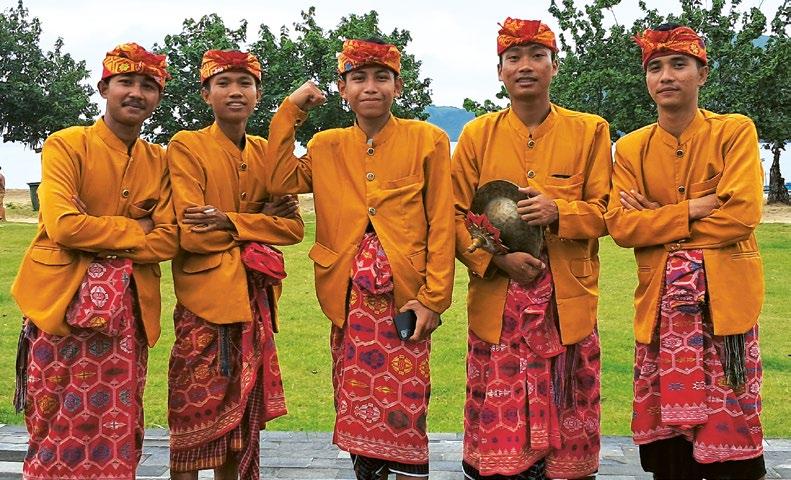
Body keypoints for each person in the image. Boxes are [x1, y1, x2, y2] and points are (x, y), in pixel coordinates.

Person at [267, 37, 455, 479]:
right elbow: (277, 178)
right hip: (347, 298)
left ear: (398, 86)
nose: (370, 87)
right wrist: (291, 110)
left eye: (381, 77)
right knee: (354, 403)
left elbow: (442, 223)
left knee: (408, 408)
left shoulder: (427, 140)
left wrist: (434, 300)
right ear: (343, 88)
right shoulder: (326, 145)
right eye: (358, 78)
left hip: (407, 299)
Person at [604, 24, 766, 480]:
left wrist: (657, 220)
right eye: (655, 67)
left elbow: (741, 216)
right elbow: (621, 226)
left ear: (703, 73)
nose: (666, 76)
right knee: (669, 452)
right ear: (646, 79)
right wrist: (694, 207)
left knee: (732, 425)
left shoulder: (733, 132)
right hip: (661, 311)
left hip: (725, 308)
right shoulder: (631, 148)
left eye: (679, 65)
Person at [452, 18, 611, 480]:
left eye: (537, 56)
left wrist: (560, 212)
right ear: (499, 71)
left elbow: (608, 211)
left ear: (554, 66)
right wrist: (497, 258)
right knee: (495, 426)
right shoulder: (477, 135)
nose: (525, 66)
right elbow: (452, 216)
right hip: (498, 302)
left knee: (570, 408)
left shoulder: (590, 131)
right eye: (514, 58)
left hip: (566, 301)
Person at [11, 42, 177, 479]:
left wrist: (97, 231)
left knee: (120, 427)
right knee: (54, 423)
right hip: (59, 305)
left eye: (148, 86)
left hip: (129, 315)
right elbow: (64, 226)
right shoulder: (67, 145)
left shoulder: (160, 161)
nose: (136, 93)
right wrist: (137, 228)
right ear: (104, 88)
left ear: (158, 97)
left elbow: (169, 239)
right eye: (126, 82)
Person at [166, 49, 303, 480]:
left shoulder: (268, 153)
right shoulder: (187, 146)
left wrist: (229, 220)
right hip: (203, 304)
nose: (235, 91)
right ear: (206, 94)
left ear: (258, 94)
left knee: (241, 430)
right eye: (223, 83)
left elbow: (293, 229)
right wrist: (261, 219)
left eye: (245, 83)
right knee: (189, 423)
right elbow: (193, 233)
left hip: (253, 305)